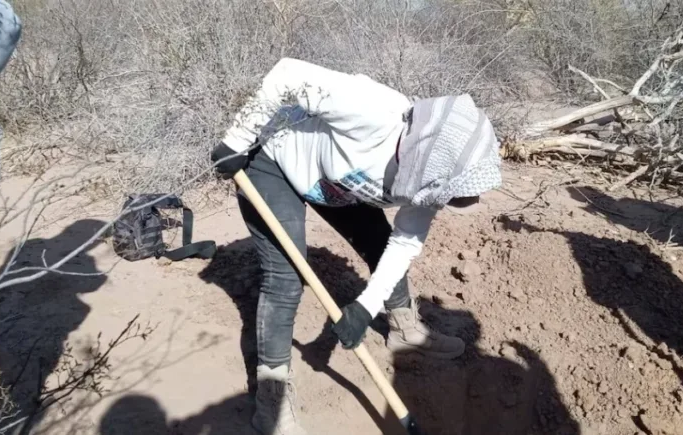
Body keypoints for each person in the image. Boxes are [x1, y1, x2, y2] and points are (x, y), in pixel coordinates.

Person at [211, 57, 502, 435]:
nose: (444, 202)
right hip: (274, 163)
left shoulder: (430, 182)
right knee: (285, 277)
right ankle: (272, 403)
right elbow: (288, 73)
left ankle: (404, 329)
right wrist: (235, 140)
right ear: (432, 167)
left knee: (381, 244)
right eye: (447, 195)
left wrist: (365, 308)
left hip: (335, 187)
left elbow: (403, 245)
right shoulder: (373, 110)